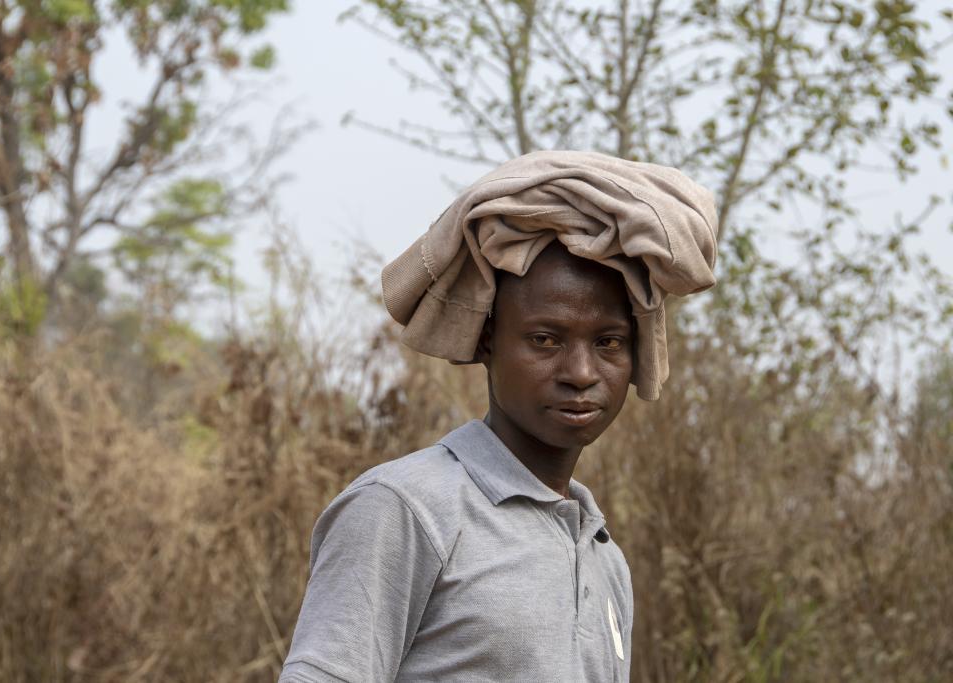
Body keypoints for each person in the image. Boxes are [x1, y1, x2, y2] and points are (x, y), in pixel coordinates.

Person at [280, 151, 718, 682]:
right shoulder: (405, 510)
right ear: (488, 340)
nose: (580, 372)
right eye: (544, 339)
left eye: (608, 342)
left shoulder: (605, 560)